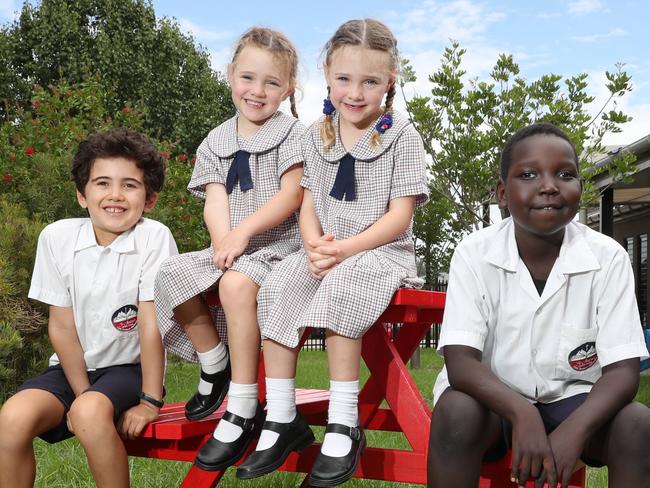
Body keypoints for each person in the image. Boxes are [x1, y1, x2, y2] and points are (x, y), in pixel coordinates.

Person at [236, 18, 428, 487]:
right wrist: (314, 245)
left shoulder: (402, 137)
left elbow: (398, 217)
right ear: (326, 74)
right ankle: (281, 417)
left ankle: (345, 422)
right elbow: (307, 201)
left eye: (370, 81)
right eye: (344, 79)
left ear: (390, 82)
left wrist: (344, 251)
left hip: (379, 251)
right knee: (280, 283)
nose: (355, 92)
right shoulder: (315, 134)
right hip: (324, 247)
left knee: (343, 287)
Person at [428, 122, 650, 488]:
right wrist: (521, 413)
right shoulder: (474, 253)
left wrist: (574, 431)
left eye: (565, 174)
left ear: (580, 188)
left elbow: (623, 372)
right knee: (454, 411)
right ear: (502, 193)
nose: (548, 185)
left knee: (637, 424)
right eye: (528, 174)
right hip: (493, 402)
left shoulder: (607, 257)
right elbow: (460, 363)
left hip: (574, 400)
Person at [154, 26, 304, 471]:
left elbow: (291, 195)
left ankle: (242, 405)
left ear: (288, 89)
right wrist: (224, 238)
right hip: (231, 243)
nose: (257, 91)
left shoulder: (294, 134)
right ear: (230, 75)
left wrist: (242, 237)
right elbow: (215, 198)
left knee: (237, 285)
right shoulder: (216, 140)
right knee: (170, 273)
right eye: (248, 78)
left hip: (279, 247)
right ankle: (214, 363)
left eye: (272, 82)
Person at [0, 128, 177, 488]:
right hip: (71, 368)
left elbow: (150, 325)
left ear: (149, 199)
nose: (115, 195)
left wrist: (150, 400)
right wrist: (80, 391)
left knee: (89, 412)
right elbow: (62, 326)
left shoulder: (153, 237)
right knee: (12, 417)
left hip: (128, 370)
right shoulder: (57, 237)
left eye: (130, 185)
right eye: (102, 183)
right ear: (82, 195)